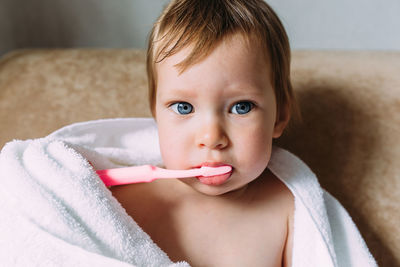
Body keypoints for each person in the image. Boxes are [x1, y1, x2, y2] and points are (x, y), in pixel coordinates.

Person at [111, 0, 297, 265]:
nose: (211, 138)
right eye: (183, 107)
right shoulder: (122, 204)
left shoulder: (288, 211)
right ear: (156, 113)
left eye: (241, 107)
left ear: (279, 116)